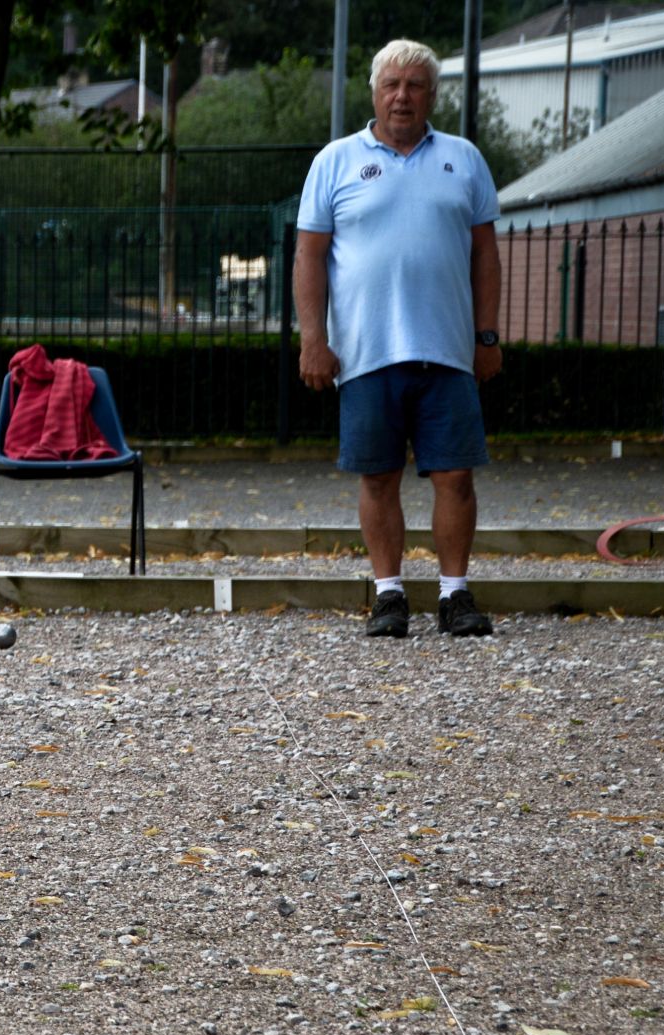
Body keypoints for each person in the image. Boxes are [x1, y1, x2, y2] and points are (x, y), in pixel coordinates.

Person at [293, 38, 502, 639]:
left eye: (415, 85)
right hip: (365, 351)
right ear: (375, 92)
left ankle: (454, 595)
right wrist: (314, 339)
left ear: (433, 95)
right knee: (377, 476)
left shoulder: (464, 159)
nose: (403, 96)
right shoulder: (334, 161)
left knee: (455, 477)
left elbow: (485, 255)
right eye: (392, 84)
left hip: (448, 349)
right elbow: (309, 257)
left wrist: (487, 335)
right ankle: (388, 595)